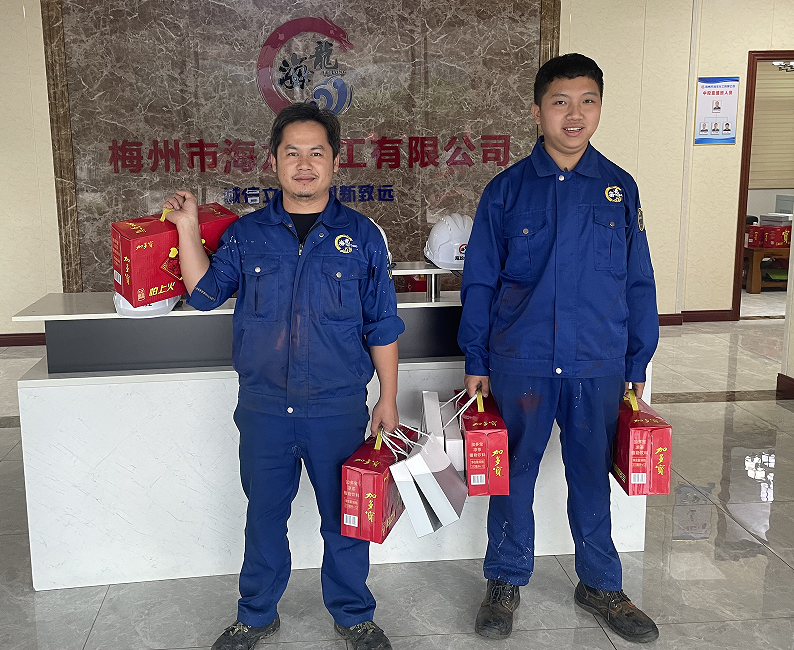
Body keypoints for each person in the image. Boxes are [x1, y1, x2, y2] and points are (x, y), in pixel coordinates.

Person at [163, 103, 404, 650]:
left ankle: (353, 615)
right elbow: (204, 295)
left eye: (316, 152)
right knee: (265, 518)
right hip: (265, 408)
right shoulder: (247, 235)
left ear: (335, 162)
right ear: (272, 161)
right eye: (292, 152)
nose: (304, 164)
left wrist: (387, 398)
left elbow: (383, 323)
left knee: (345, 518)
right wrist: (188, 227)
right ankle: (256, 615)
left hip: (337, 409)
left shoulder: (363, 236)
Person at [458, 53, 659, 644]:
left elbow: (638, 279)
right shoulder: (506, 191)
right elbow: (480, 281)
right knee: (512, 476)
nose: (575, 114)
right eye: (560, 102)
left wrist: (638, 358)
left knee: (591, 474)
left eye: (587, 101)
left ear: (599, 108)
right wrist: (476, 359)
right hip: (521, 359)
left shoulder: (619, 189)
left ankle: (600, 584)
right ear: (537, 111)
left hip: (597, 360)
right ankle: (504, 581)